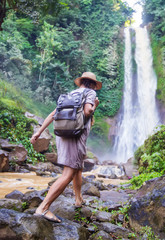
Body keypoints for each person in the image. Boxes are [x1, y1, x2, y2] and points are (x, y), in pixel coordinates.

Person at [30, 72, 101, 223]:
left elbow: (52, 115)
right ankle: (43, 208)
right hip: (75, 136)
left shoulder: (71, 94)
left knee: (78, 167)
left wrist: (38, 133)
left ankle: (78, 199)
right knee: (68, 174)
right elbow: (88, 111)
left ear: (81, 82)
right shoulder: (90, 93)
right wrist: (95, 104)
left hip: (62, 134)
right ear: (93, 84)